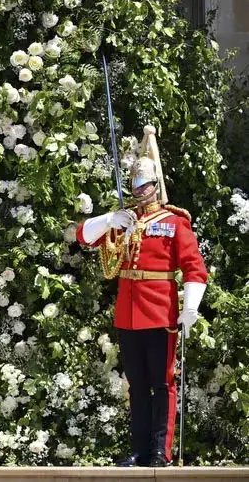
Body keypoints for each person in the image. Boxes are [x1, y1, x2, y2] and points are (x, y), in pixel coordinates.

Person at [75, 126, 208, 467]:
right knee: (136, 386)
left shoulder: (175, 223)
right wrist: (109, 219)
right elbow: (84, 237)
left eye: (145, 186)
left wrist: (189, 308)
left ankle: (159, 452)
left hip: (160, 313)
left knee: (162, 385)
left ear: (156, 187)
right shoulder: (125, 219)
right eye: (135, 186)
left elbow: (195, 268)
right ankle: (138, 450)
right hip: (128, 315)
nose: (139, 192)